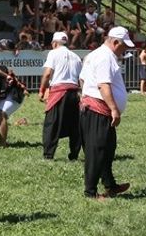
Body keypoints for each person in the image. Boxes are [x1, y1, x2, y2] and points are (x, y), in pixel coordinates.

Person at [80, 25, 134, 200]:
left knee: (107, 148)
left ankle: (110, 185)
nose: (124, 49)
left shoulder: (94, 55)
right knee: (97, 150)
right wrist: (113, 109)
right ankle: (90, 192)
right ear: (115, 41)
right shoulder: (105, 57)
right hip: (99, 109)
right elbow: (104, 85)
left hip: (93, 106)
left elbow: (82, 79)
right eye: (123, 45)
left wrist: (86, 95)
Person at [40, 31, 82, 161]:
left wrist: (42, 89)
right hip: (74, 92)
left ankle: (48, 154)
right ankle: (74, 154)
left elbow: (47, 74)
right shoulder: (76, 56)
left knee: (51, 123)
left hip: (59, 92)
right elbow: (81, 78)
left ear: (54, 43)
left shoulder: (53, 53)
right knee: (75, 125)